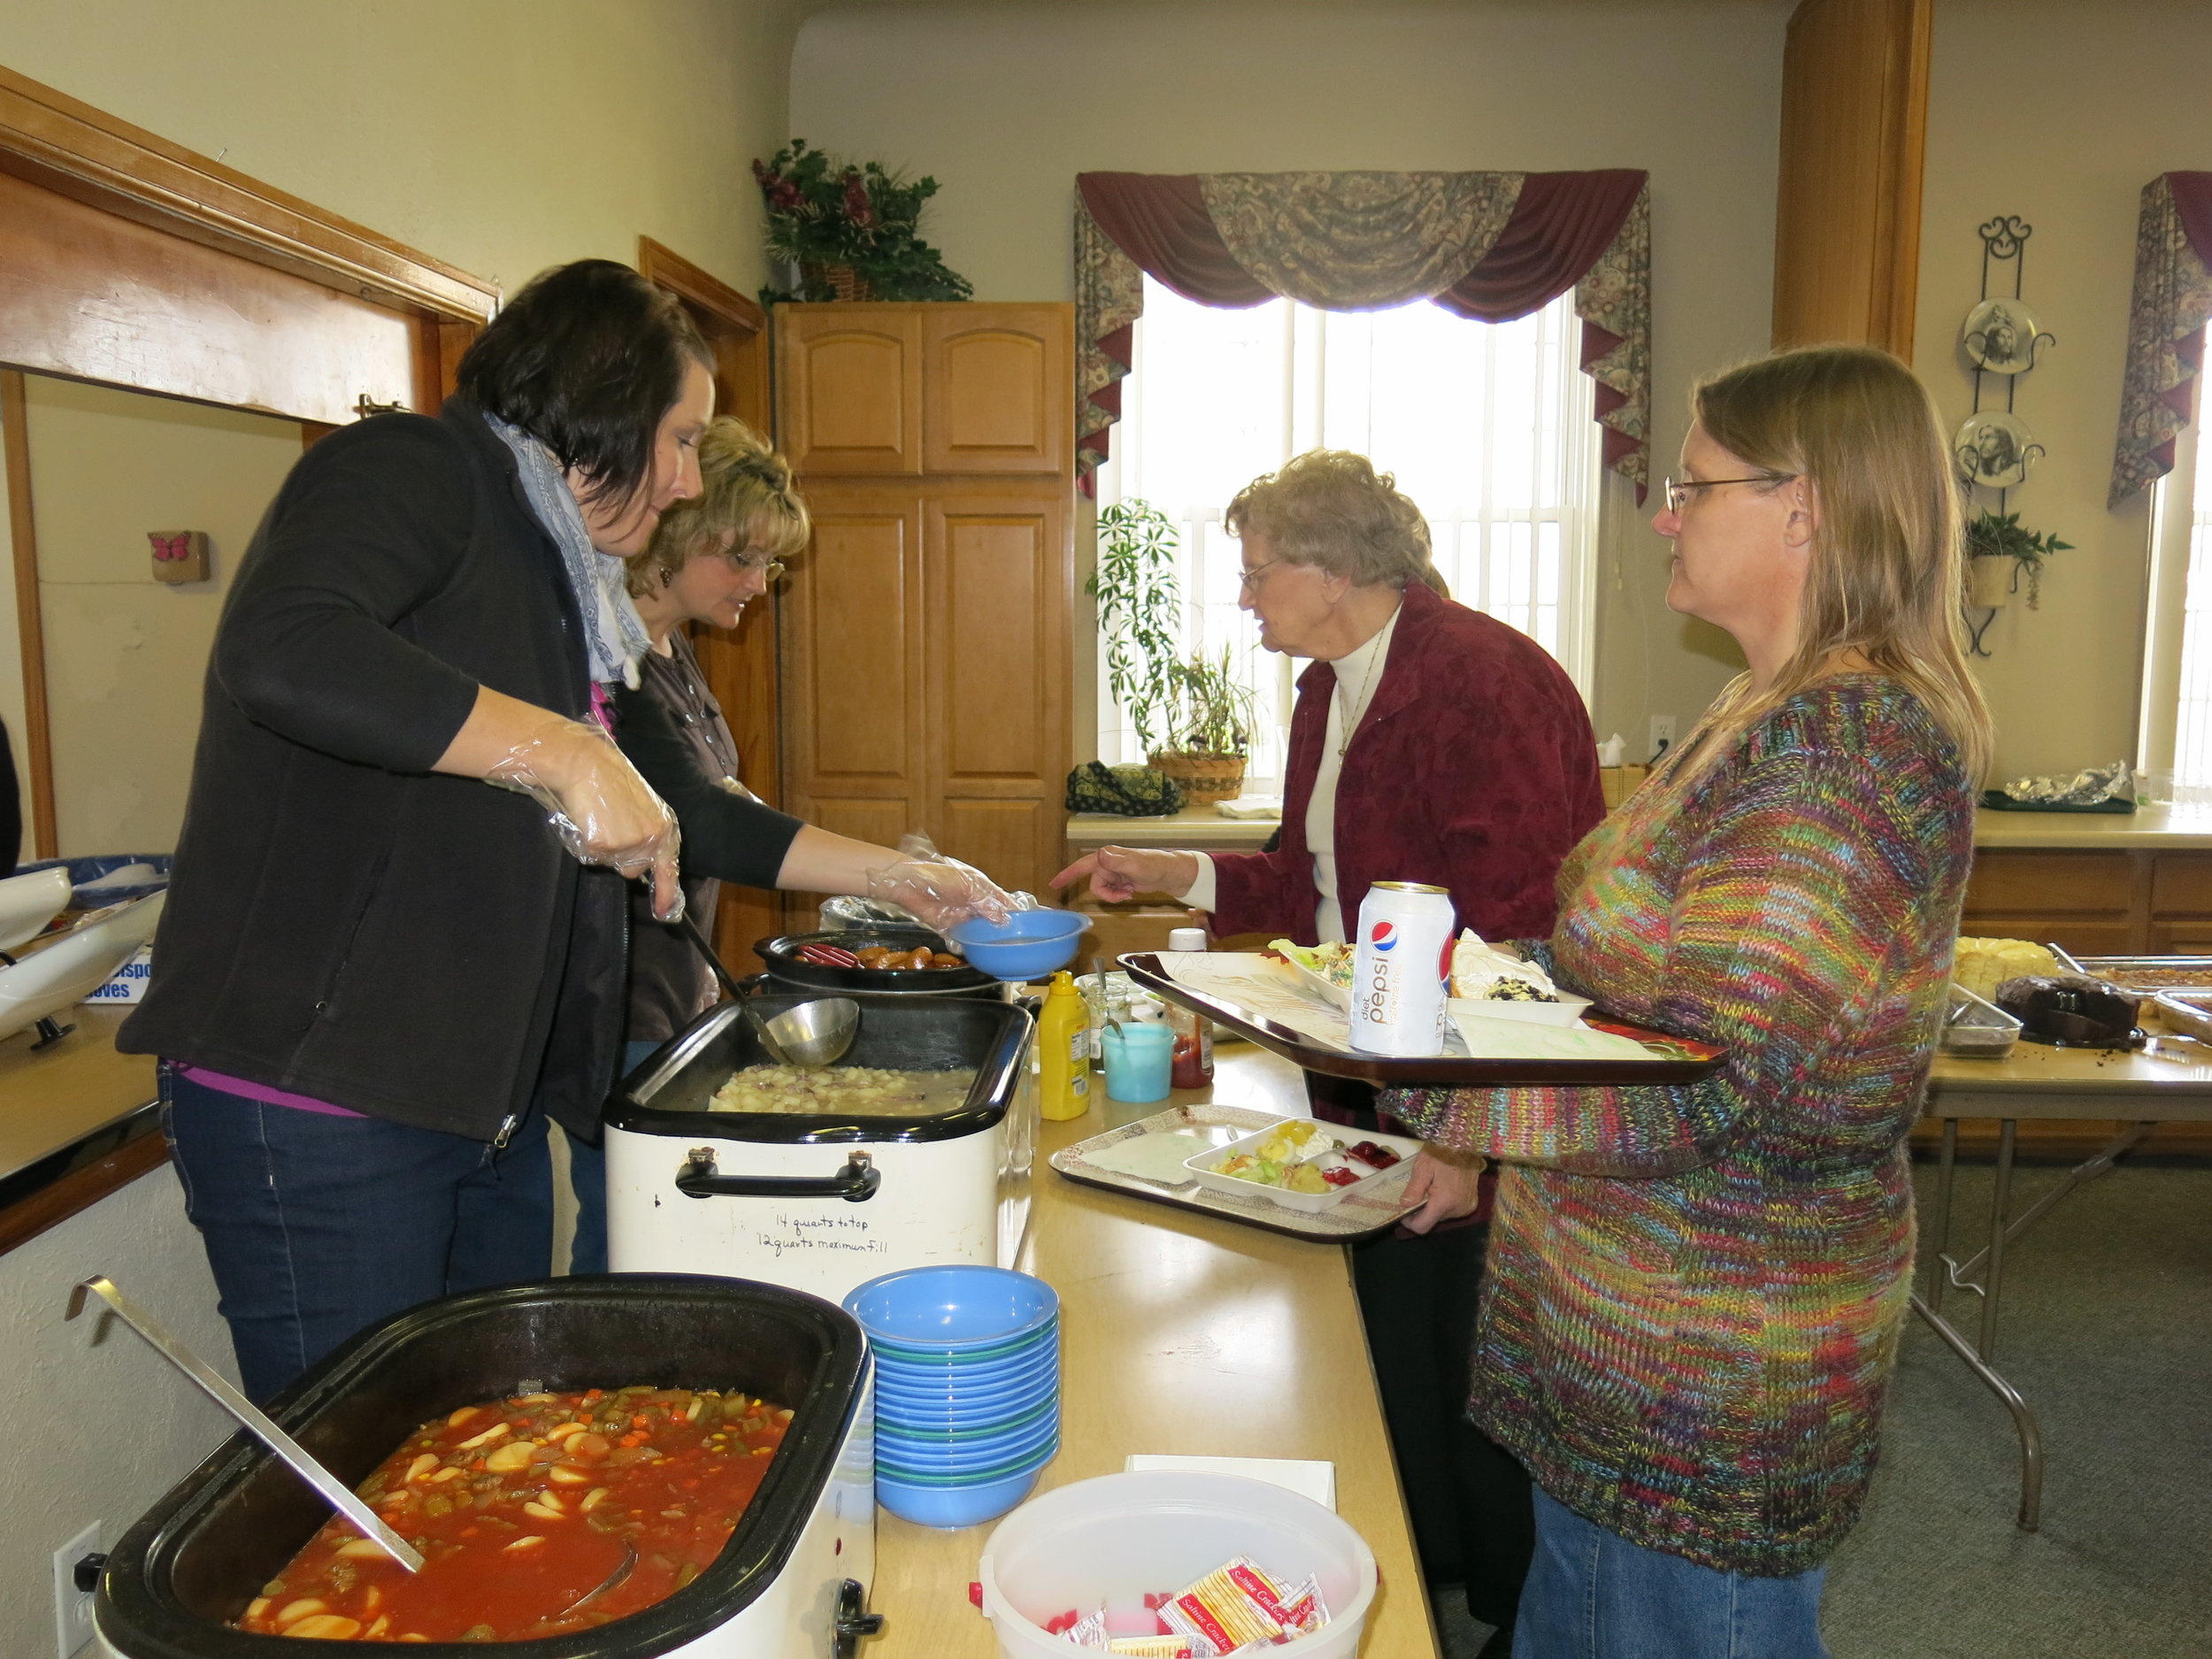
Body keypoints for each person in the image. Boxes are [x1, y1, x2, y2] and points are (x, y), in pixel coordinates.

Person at [126, 261, 1001, 1402]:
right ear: (605, 400)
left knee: (490, 1452)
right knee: (352, 1493)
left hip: (475, 1104)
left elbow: (691, 808)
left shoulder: (571, 584)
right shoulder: (417, 469)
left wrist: (906, 877)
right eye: (681, 439)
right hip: (324, 1103)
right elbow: (283, 648)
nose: (686, 480)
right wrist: (566, 753)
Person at [1379, 345, 1989, 1658]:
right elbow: (1621, 981)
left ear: (1804, 507)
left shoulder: (1846, 747)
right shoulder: (1758, 706)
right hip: (1622, 1323)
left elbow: (1710, 1079)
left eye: (1694, 483)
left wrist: (1421, 1073)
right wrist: (1457, 1094)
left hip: (1706, 1366)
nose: (1665, 510)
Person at [1056, 449, 1604, 1650]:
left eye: (1258, 574)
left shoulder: (1480, 684)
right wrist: (1167, 872)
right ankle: (1427, 1572)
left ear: (1338, 568)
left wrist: (1469, 1134)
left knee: (1476, 1349)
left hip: (1463, 1089)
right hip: (1363, 1069)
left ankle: (1510, 1610)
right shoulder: (1329, 687)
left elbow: (1514, 935)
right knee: (1389, 1334)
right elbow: (1305, 882)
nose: (1245, 597)